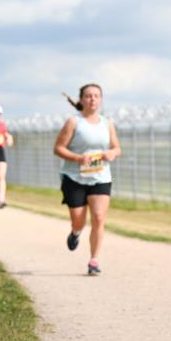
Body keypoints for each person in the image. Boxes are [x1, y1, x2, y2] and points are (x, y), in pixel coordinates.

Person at [53, 84, 121, 276]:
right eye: (89, 96)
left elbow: (117, 148)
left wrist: (111, 153)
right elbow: (58, 148)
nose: (92, 99)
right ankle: (75, 233)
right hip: (75, 177)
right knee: (78, 220)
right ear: (81, 99)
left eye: (96, 96)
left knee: (99, 217)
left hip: (100, 176)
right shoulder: (74, 122)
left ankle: (94, 260)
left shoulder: (107, 123)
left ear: (101, 99)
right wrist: (78, 158)